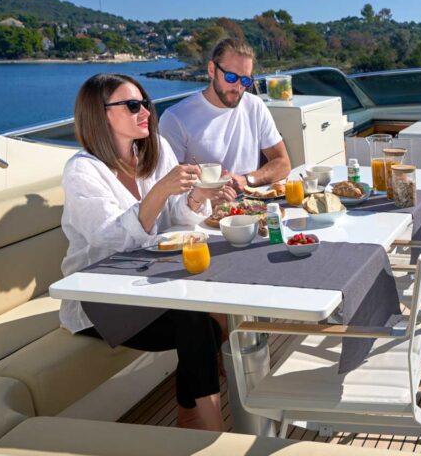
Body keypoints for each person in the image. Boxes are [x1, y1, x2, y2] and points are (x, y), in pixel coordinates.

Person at [59, 73, 235, 431]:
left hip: (150, 283)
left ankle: (194, 417)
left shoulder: (152, 148)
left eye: (146, 104)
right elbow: (110, 239)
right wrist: (159, 192)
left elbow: (175, 221)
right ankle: (206, 423)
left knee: (215, 309)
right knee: (195, 319)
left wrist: (199, 196)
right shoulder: (82, 171)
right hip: (101, 298)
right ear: (99, 113)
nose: (146, 113)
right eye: (133, 106)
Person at [160, 37, 291, 193]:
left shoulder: (255, 106)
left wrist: (248, 180)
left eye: (245, 80)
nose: (238, 87)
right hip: (202, 213)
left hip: (250, 204)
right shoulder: (175, 118)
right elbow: (171, 187)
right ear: (211, 69)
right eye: (231, 77)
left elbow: (283, 163)